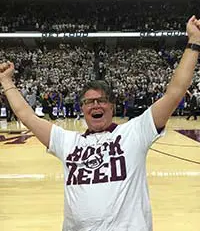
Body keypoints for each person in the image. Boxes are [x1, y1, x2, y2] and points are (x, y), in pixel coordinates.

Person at [0, 15, 200, 231]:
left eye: (101, 100)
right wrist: (6, 81)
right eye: (89, 102)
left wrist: (194, 41)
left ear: (112, 106)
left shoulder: (135, 132)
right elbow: (27, 116)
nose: (96, 105)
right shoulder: (66, 140)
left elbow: (175, 92)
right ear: (82, 109)